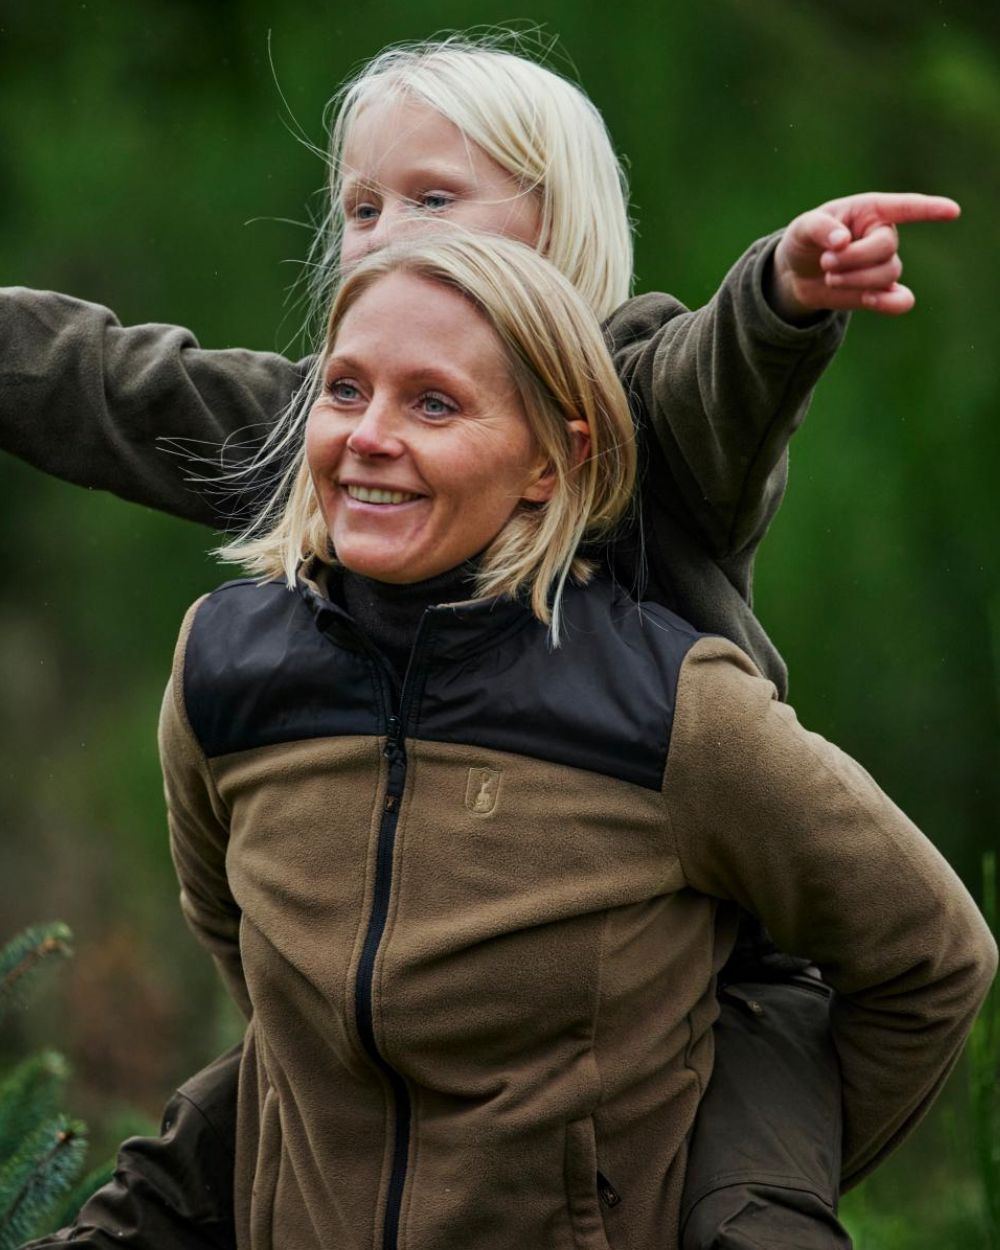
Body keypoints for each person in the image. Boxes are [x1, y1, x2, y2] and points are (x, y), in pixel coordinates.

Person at [7, 35, 962, 1250]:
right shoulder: (348, 423)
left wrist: (781, 293)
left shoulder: (637, 409)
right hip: (424, 989)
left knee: (743, 1213)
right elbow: (128, 386)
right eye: (361, 208)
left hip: (718, 970)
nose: (385, 236)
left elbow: (721, 377)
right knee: (211, 1152)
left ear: (559, 229)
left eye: (432, 199)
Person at [160, 233, 997, 1247]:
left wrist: (735, 1184)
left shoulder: (676, 710)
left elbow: (929, 957)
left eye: (434, 404)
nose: (369, 435)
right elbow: (231, 929)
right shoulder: (223, 665)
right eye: (344, 390)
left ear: (554, 463)